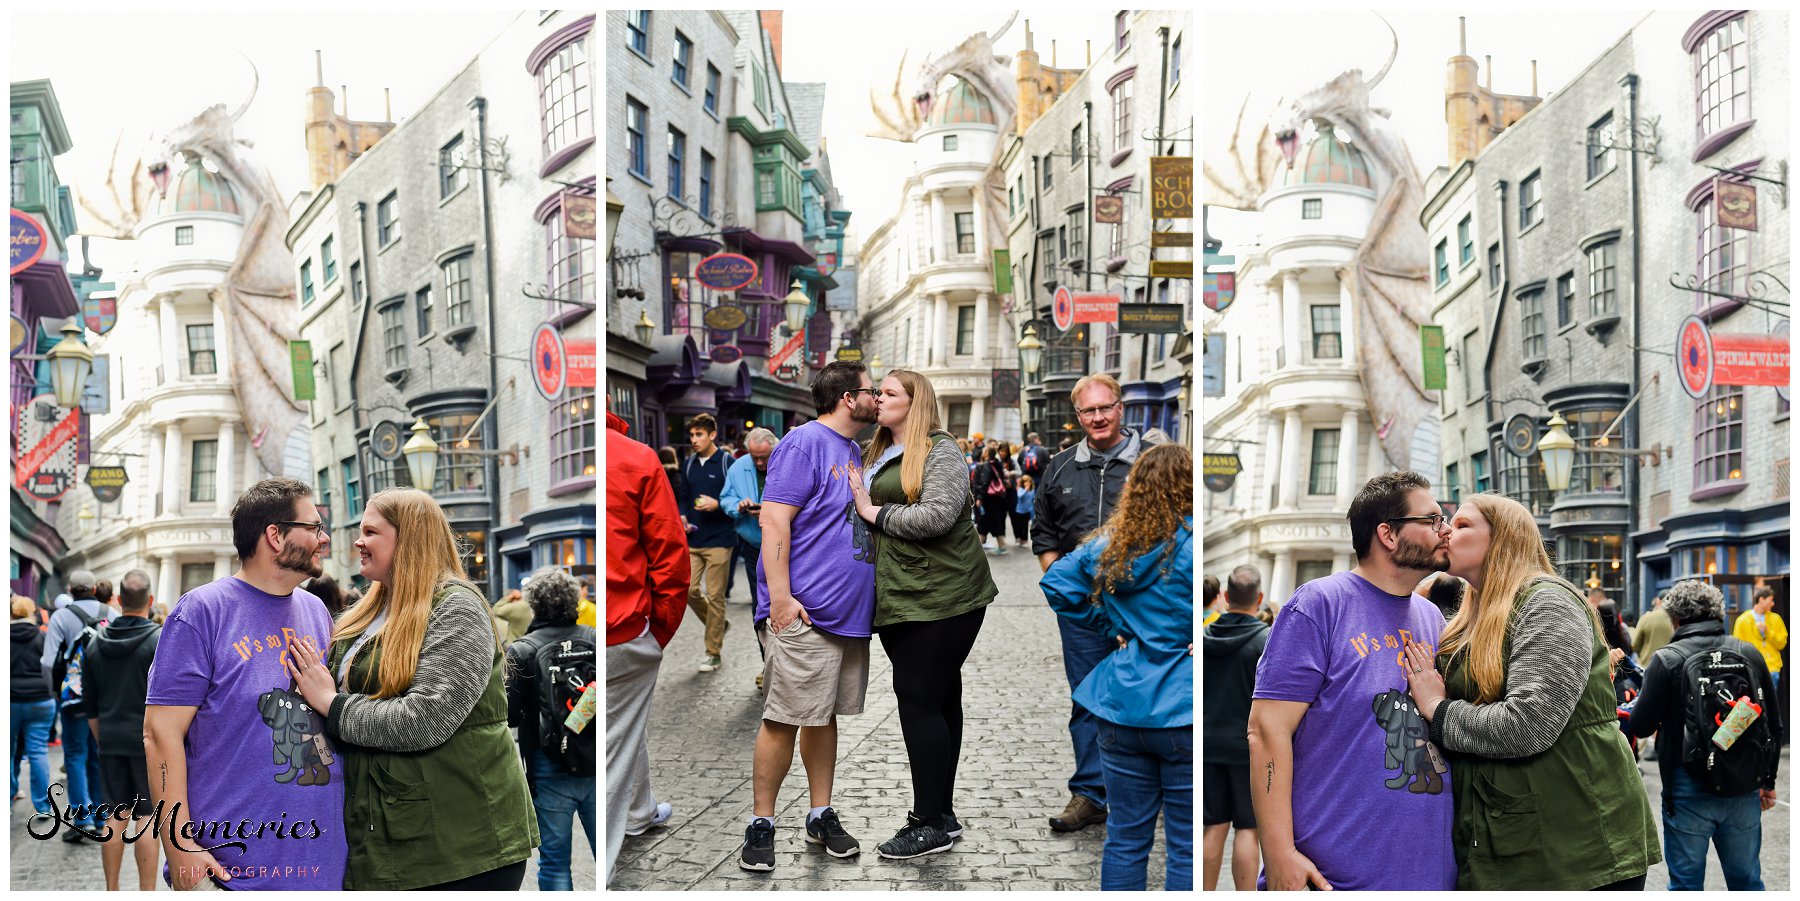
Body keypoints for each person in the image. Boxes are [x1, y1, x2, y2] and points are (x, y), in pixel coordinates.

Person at [1401, 492, 1659, 890]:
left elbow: (1528, 724)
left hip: (1580, 847)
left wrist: (1438, 707)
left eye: (1464, 524)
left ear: (1503, 538)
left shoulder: (1546, 601)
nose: (1448, 531)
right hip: (1516, 845)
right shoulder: (1471, 616)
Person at [282, 488, 537, 890]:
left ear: (410, 537)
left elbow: (424, 720)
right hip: (394, 839)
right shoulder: (370, 608)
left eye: (371, 531)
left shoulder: (456, 607)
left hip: (464, 847)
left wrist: (332, 704)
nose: (358, 541)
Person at [1246, 471, 1457, 891]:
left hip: (1429, 874)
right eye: (1432, 520)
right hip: (1332, 875)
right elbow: (1266, 731)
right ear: (1389, 534)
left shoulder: (1432, 617)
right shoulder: (1319, 604)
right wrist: (1278, 853)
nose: (1445, 530)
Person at [143, 478, 347, 890]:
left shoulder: (316, 612)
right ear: (275, 535)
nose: (323, 538)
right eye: (314, 527)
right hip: (233, 871)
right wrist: (178, 843)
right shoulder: (202, 612)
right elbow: (159, 733)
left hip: (324, 865)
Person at [846, 369, 997, 860]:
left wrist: (873, 513)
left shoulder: (940, 448)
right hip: (905, 594)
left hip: (942, 596)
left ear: (915, 402)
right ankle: (943, 815)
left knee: (919, 701)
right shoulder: (877, 449)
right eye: (878, 391)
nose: (878, 398)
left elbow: (938, 515)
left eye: (888, 392)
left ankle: (928, 821)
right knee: (937, 697)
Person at [740, 360, 879, 872]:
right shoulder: (804, 443)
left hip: (845, 617)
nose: (878, 398)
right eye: (871, 390)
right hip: (805, 611)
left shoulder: (850, 449)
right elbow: (775, 518)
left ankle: (820, 812)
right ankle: (762, 822)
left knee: (823, 716)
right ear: (848, 398)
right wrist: (780, 598)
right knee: (782, 717)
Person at [1044, 443, 1194, 890]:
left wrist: (1111, 624)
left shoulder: (1114, 544)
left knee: (1126, 839)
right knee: (1185, 847)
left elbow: (1057, 583)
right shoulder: (1189, 545)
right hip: (1181, 708)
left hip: (1121, 705)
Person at [1033, 373, 1163, 832]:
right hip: (1086, 613)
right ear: (1078, 416)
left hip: (1146, 607)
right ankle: (1089, 793)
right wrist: (1062, 584)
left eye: (1105, 407)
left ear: (1120, 408)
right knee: (1088, 698)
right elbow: (1044, 533)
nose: (1098, 417)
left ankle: (1146, 790)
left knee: (1150, 694)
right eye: (1088, 411)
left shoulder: (1152, 464)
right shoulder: (1060, 467)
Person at [1625, 579, 1780, 890]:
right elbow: (1773, 724)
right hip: (1741, 782)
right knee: (1747, 882)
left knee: (1685, 885)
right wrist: (1768, 782)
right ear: (1717, 613)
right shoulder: (1748, 653)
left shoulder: (1666, 659)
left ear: (1675, 618)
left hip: (1686, 782)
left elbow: (1640, 726)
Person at [603, 406, 689, 885]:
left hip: (615, 629)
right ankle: (607, 871)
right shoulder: (636, 457)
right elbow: (669, 554)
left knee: (620, 725)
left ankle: (640, 811)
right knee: (616, 742)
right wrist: (657, 633)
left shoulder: (631, 458)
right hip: (626, 630)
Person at [506, 567, 598, 890]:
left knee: (556, 864)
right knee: (605, 851)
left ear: (535, 605)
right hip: (593, 758)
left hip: (548, 765)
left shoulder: (522, 650)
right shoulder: (593, 638)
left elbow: (510, 715)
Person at [83, 569, 162, 891]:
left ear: (117, 600)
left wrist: (103, 738)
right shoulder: (160, 641)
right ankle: (146, 892)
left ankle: (112, 889)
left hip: (111, 739)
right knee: (146, 818)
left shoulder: (94, 644)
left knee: (114, 816)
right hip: (149, 742)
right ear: (150, 601)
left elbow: (90, 704)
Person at [1201, 564, 1267, 891]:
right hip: (1248, 748)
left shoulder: (1201, 637)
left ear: (1225, 597)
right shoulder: (1267, 642)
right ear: (1259, 598)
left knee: (1212, 826)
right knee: (1247, 829)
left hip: (1207, 745)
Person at [40, 568, 108, 843]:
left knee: (76, 756)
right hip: (105, 698)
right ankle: (103, 816)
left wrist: (54, 692)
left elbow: (47, 662)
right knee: (97, 755)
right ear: (93, 588)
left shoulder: (61, 616)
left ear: (70, 590)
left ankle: (83, 818)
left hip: (74, 698)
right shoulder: (110, 613)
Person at [681, 413, 736, 673]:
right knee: (689, 590)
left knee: (715, 596)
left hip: (720, 540)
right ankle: (718, 624)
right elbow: (683, 495)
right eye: (692, 435)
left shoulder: (727, 463)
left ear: (712, 435)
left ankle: (712, 652)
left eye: (699, 434)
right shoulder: (689, 463)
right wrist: (682, 514)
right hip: (693, 537)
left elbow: (737, 499)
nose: (694, 440)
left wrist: (718, 505)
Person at [11, 594, 56, 820]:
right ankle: (43, 805)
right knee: (37, 751)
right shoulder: (41, 636)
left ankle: (9, 795)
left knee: (8, 751)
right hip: (39, 699)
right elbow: (50, 665)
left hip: (10, 700)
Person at [722, 428, 778, 601]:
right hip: (752, 542)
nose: (760, 462)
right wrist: (737, 507)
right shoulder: (738, 466)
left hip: (782, 543)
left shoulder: (788, 463)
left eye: (764, 457)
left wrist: (770, 512)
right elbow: (726, 498)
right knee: (759, 598)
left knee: (779, 594)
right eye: (755, 457)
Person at [1733, 585, 1786, 693]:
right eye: (1770, 600)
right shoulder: (1742, 620)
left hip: (1772, 668)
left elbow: (1781, 643)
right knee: (1753, 702)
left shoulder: (1776, 619)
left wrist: (1768, 631)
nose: (1773, 603)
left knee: (1771, 702)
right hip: (1751, 668)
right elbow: (1737, 645)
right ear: (1761, 599)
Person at [973, 443, 1015, 554]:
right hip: (997, 498)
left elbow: (985, 482)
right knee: (992, 522)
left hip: (988, 498)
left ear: (986, 453)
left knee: (984, 521)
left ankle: (976, 551)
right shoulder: (997, 464)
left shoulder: (987, 465)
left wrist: (980, 498)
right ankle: (1001, 545)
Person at [1011, 473, 1036, 548]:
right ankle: (1018, 539)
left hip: (1027, 511)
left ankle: (1024, 540)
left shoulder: (1032, 490)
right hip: (1019, 511)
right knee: (1019, 526)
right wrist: (1025, 490)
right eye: (1025, 482)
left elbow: (1032, 500)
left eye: (1028, 481)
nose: (1027, 483)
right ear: (1022, 483)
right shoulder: (1021, 489)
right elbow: (1020, 496)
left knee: (1025, 527)